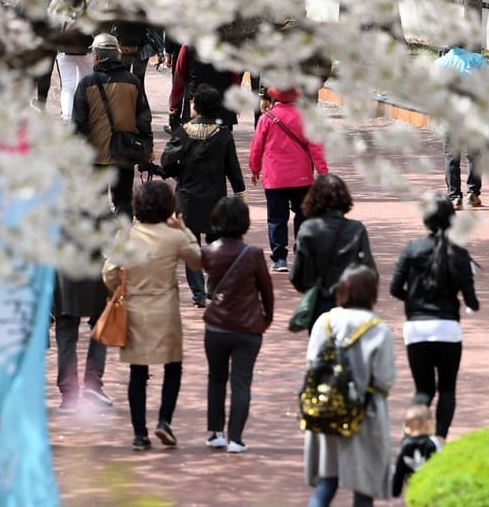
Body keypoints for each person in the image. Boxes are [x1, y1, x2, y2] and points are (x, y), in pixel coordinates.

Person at [296, 265, 395, 507]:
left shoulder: (324, 322)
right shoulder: (378, 328)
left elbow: (312, 363)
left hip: (325, 412)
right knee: (363, 486)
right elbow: (385, 379)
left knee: (327, 482)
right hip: (364, 414)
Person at [102, 180, 202, 451]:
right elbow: (196, 260)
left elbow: (109, 272)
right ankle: (164, 421)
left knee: (138, 371)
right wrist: (185, 230)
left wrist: (122, 288)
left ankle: (139, 434)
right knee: (173, 366)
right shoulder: (175, 237)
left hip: (134, 309)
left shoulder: (128, 236)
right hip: (165, 310)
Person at [389, 192, 479, 439]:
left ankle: (413, 440)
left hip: (416, 328)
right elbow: (472, 301)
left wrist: (416, 302)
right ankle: (439, 440)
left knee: (423, 390)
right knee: (447, 388)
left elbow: (394, 288)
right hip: (448, 328)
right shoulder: (458, 253)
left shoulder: (412, 248)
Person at [160, 84, 246, 308]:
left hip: (188, 198)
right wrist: (240, 192)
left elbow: (167, 159)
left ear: (198, 105)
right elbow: (232, 167)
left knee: (191, 246)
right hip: (216, 198)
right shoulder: (223, 132)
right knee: (216, 244)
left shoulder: (185, 130)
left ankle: (198, 293)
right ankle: (213, 287)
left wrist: (177, 173)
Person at [201, 197, 274, 453]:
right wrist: (266, 318)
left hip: (216, 327)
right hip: (248, 328)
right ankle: (236, 438)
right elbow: (266, 290)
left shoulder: (209, 253)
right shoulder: (253, 254)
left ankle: (215, 433)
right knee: (241, 382)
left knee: (216, 379)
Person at [248, 86, 328, 272]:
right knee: (303, 215)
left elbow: (256, 146)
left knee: (276, 218)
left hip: (275, 178)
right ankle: (301, 252)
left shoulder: (265, 119)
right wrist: (323, 172)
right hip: (302, 177)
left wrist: (254, 168)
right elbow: (316, 147)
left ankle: (279, 258)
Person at [73, 32, 153, 219]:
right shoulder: (132, 81)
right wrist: (147, 147)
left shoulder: (87, 83)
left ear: (96, 56)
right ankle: (122, 240)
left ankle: (100, 242)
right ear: (118, 55)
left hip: (96, 153)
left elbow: (78, 124)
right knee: (124, 200)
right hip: (125, 151)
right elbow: (144, 118)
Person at [289, 173, 377, 331]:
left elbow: (296, 275)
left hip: (320, 304)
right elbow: (370, 270)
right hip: (351, 304)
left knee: (320, 351)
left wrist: (310, 289)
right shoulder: (357, 229)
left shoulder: (308, 229)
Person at [435, 47, 487, 209]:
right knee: (474, 155)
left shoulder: (439, 63)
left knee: (452, 157)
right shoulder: (477, 59)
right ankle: (474, 193)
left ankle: (455, 196)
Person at [52, 272, 112, 412]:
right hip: (94, 274)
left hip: (64, 279)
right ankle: (93, 383)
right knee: (101, 326)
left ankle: (69, 395)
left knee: (66, 333)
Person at [391, 399, 442, 507]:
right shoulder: (433, 443)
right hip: (430, 486)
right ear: (429, 423)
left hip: (412, 486)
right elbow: (440, 463)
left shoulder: (405, 446)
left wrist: (396, 488)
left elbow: (399, 469)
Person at [47, 0, 94, 121]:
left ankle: (67, 116)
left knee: (68, 86)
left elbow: (50, 20)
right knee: (87, 84)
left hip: (65, 48)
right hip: (85, 47)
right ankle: (85, 115)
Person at [168, 44, 241, 133]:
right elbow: (234, 78)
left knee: (193, 142)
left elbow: (179, 78)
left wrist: (174, 105)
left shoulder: (188, 46)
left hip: (196, 104)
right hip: (221, 105)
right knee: (222, 141)